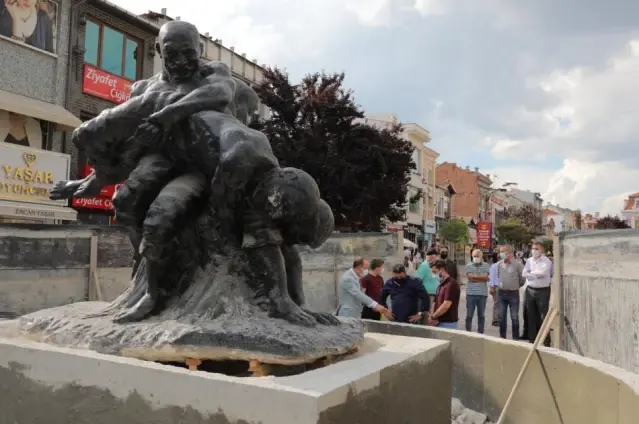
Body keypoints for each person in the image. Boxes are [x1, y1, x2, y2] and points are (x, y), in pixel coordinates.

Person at [523, 241, 553, 344]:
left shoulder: (546, 261)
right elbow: (524, 273)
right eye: (533, 248)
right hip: (530, 290)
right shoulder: (529, 261)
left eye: (537, 249)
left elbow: (543, 273)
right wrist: (533, 274)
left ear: (542, 250)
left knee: (543, 316)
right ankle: (532, 339)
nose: (534, 251)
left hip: (543, 291)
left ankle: (546, 340)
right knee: (531, 315)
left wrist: (531, 274)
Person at [492, 246, 525, 339]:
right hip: (501, 294)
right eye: (500, 252)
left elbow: (522, 278)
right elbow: (497, 277)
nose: (500, 254)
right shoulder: (499, 264)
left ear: (509, 253)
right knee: (501, 317)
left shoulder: (518, 264)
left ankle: (515, 338)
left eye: (502, 251)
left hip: (513, 294)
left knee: (514, 317)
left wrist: (516, 285)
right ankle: (502, 337)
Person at [429, 260, 461, 329]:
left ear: (442, 270)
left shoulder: (451, 284)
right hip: (438, 321)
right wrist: (432, 317)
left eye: (435, 272)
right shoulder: (441, 284)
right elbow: (435, 302)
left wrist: (433, 316)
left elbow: (446, 305)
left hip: (448, 323)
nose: (434, 275)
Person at [464, 249, 490, 333]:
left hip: (482, 294)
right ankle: (468, 332)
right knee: (469, 315)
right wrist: (482, 278)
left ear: (481, 256)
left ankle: (480, 333)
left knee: (481, 315)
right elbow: (470, 277)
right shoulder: (468, 265)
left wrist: (475, 277)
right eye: (474, 256)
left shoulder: (486, 265)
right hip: (471, 294)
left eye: (477, 256)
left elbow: (486, 277)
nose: (476, 258)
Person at [488, 259, 500, 327]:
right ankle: (495, 320)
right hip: (496, 286)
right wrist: (491, 287)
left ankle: (500, 318)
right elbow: (491, 277)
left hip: (505, 287)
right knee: (497, 303)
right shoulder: (495, 266)